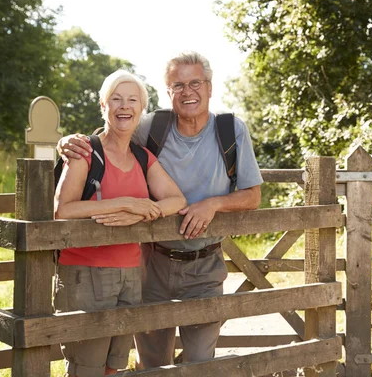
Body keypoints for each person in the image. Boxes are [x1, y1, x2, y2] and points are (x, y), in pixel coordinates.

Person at [57, 51, 263, 368]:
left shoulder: (230, 130)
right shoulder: (152, 127)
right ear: (167, 93)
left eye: (195, 82)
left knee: (199, 362)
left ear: (209, 86)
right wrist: (69, 142)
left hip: (204, 265)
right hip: (149, 263)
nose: (187, 91)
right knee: (151, 362)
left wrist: (213, 203)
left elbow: (252, 196)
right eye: (177, 85)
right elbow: (108, 136)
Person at [54, 69, 187, 377]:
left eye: (132, 100)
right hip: (85, 273)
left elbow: (176, 200)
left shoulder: (143, 157)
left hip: (130, 273)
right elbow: (62, 210)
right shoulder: (85, 152)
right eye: (116, 99)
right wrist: (125, 202)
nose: (124, 106)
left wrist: (141, 212)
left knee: (114, 367)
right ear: (104, 106)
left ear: (141, 110)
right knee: (85, 369)